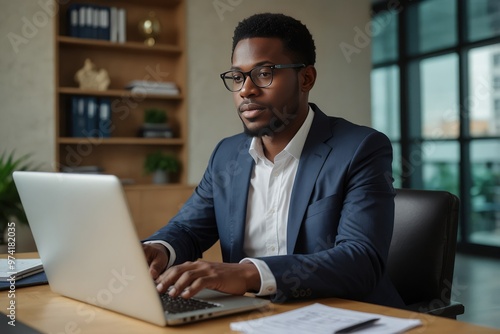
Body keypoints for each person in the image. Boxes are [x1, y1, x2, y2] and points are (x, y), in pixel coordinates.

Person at [142, 12, 404, 308]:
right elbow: (188, 229)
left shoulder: (360, 149)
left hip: (341, 314)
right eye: (238, 77)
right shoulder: (227, 156)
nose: (246, 90)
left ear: (306, 78)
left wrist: (249, 273)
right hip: (250, 315)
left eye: (264, 73)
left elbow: (361, 260)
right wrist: (158, 249)